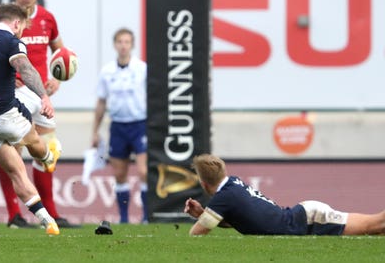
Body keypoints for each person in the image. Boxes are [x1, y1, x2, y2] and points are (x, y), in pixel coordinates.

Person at [0, 4, 61, 235]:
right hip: (6, 116)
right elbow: (25, 69)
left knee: (16, 172)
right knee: (35, 142)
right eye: (23, 27)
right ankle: (48, 157)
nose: (23, 32)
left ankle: (48, 221)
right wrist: (44, 96)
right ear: (16, 23)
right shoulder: (11, 42)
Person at [0, 0, 80, 229]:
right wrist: (6, 77)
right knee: (13, 154)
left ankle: (51, 213)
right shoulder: (3, 21)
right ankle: (14, 216)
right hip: (15, 93)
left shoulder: (47, 18)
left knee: (48, 152)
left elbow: (60, 51)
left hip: (41, 94)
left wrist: (57, 79)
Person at [184, 153, 385, 236]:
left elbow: (196, 233)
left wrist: (203, 216)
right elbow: (239, 220)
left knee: (375, 224)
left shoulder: (223, 198)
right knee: (377, 229)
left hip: (308, 220)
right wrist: (204, 213)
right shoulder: (232, 184)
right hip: (304, 216)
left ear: (203, 182)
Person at [91, 28, 148, 224]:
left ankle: (146, 216)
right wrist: (95, 131)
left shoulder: (142, 69)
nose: (123, 45)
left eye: (127, 42)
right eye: (120, 42)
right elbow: (101, 102)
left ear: (132, 45)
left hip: (139, 124)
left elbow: (154, 96)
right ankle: (124, 218)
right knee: (119, 174)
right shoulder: (107, 71)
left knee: (143, 171)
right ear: (115, 44)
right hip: (118, 126)